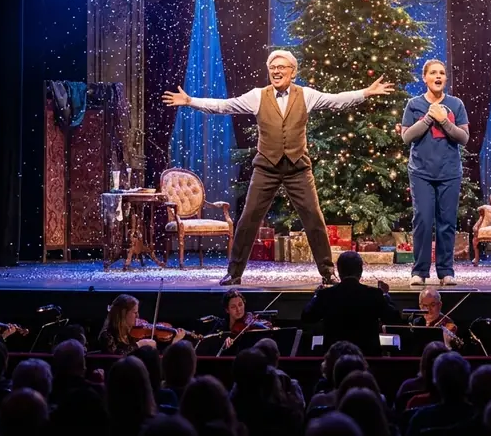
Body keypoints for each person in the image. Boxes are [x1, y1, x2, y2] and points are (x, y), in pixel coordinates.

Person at [163, 49, 394, 286]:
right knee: (248, 218)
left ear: (293, 72)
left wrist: (365, 92)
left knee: (314, 218)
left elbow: (336, 100)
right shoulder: (258, 96)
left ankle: (327, 272)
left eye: (282, 67)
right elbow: (225, 106)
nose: (276, 71)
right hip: (266, 167)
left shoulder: (306, 95)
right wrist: (191, 101)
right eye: (273, 68)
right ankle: (234, 273)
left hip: (298, 168)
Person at [400, 59, 469, 286]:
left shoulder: (456, 104)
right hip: (421, 172)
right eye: (433, 73)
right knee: (422, 220)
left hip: (449, 172)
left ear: (445, 79)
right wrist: (430, 117)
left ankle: (445, 271)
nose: (438, 76)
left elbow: (463, 138)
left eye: (441, 73)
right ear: (425, 78)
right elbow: (406, 136)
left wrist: (444, 121)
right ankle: (419, 271)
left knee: (446, 222)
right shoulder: (414, 104)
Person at [301, 250, 400, 355]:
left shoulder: (326, 295)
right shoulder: (374, 294)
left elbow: (307, 316)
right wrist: (385, 294)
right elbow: (394, 318)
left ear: (339, 271)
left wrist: (316, 295)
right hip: (367, 357)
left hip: (335, 357)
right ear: (361, 271)